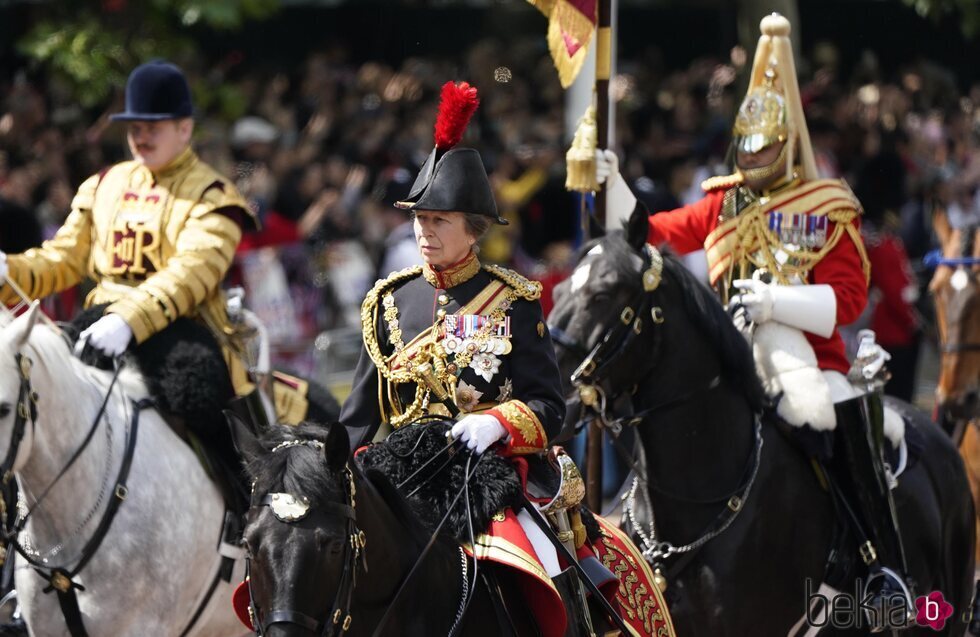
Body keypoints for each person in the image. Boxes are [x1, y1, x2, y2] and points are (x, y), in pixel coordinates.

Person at [597, 13, 913, 628]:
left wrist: (775, 304)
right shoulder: (724, 200)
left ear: (787, 142)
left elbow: (846, 301)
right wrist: (610, 185)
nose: (752, 155)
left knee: (830, 412)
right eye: (745, 143)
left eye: (764, 144)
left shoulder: (828, 206)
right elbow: (653, 233)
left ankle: (878, 563)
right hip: (728, 350)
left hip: (811, 354)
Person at [341, 81, 664, 637]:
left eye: (439, 220)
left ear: (473, 229)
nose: (425, 231)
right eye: (420, 219)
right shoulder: (387, 301)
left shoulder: (513, 300)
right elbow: (357, 418)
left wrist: (495, 423)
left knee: (537, 558)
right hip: (397, 475)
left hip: (486, 474)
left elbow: (547, 403)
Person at [0, 60, 294, 502]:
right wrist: (10, 271)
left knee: (196, 391)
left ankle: (250, 505)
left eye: (155, 125)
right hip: (99, 318)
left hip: (182, 327)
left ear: (185, 128)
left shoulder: (215, 197)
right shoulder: (102, 185)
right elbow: (61, 259)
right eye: (135, 125)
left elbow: (189, 275)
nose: (142, 135)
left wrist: (128, 321)